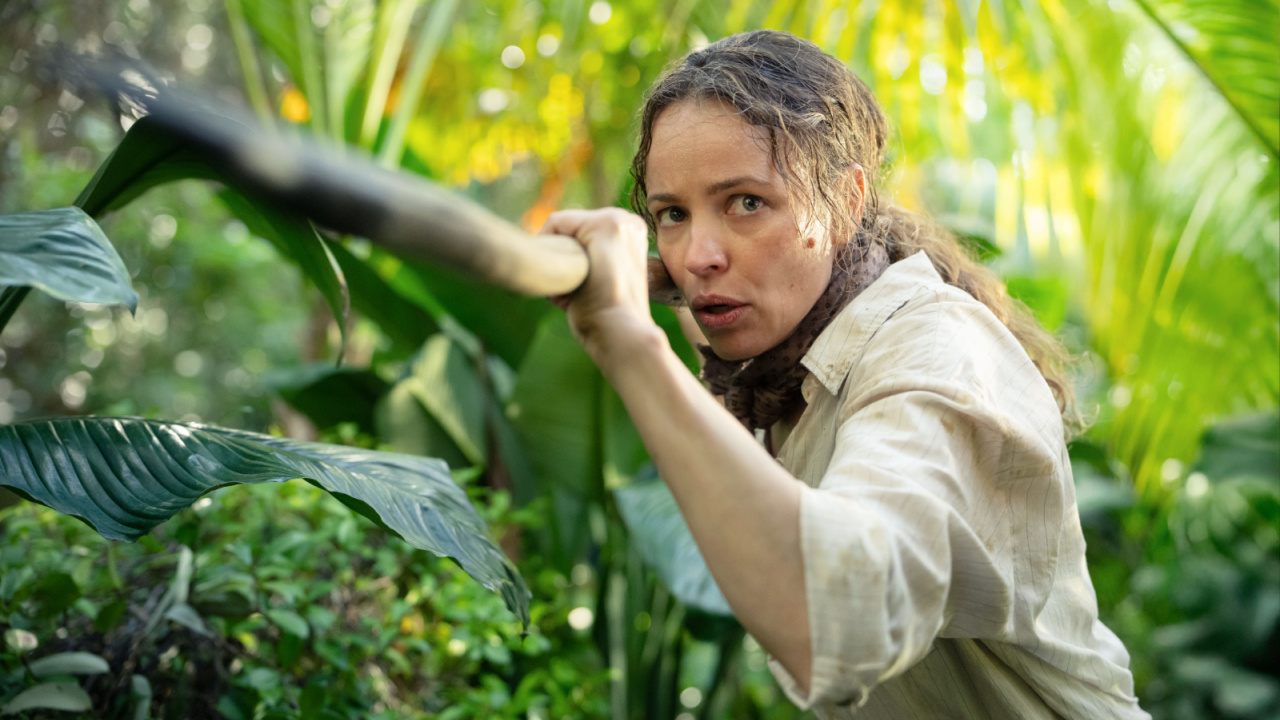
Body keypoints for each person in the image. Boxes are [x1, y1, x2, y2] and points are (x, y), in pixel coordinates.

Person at [542, 30, 1149, 719]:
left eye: (745, 202)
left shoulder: (937, 349)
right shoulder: (780, 351)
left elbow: (844, 621)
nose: (697, 256)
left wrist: (626, 338)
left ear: (844, 202)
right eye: (671, 214)